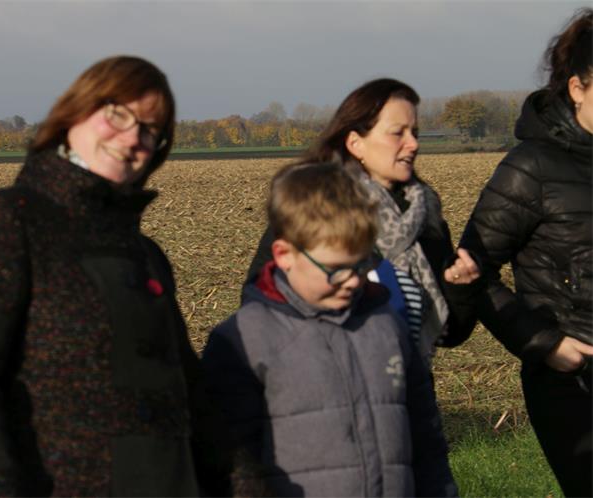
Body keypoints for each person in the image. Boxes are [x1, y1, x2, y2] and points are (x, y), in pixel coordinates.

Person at [0, 56, 228, 497]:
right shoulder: (2, 224)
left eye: (150, 130)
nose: (133, 138)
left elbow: (191, 396)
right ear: (74, 112)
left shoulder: (144, 254)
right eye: (118, 115)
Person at [202, 163, 457, 496]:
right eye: (336, 269)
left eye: (362, 264)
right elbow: (228, 466)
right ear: (284, 255)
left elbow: (426, 439)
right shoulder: (243, 341)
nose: (352, 280)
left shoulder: (387, 324)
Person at [246, 78, 480, 362]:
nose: (413, 144)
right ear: (356, 143)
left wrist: (459, 288)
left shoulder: (425, 214)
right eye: (398, 133)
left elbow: (451, 333)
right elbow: (258, 300)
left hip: (407, 382)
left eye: (415, 133)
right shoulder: (312, 207)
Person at [458, 9, 593, 497]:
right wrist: (545, 343)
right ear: (577, 88)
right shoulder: (530, 167)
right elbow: (471, 269)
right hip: (576, 385)